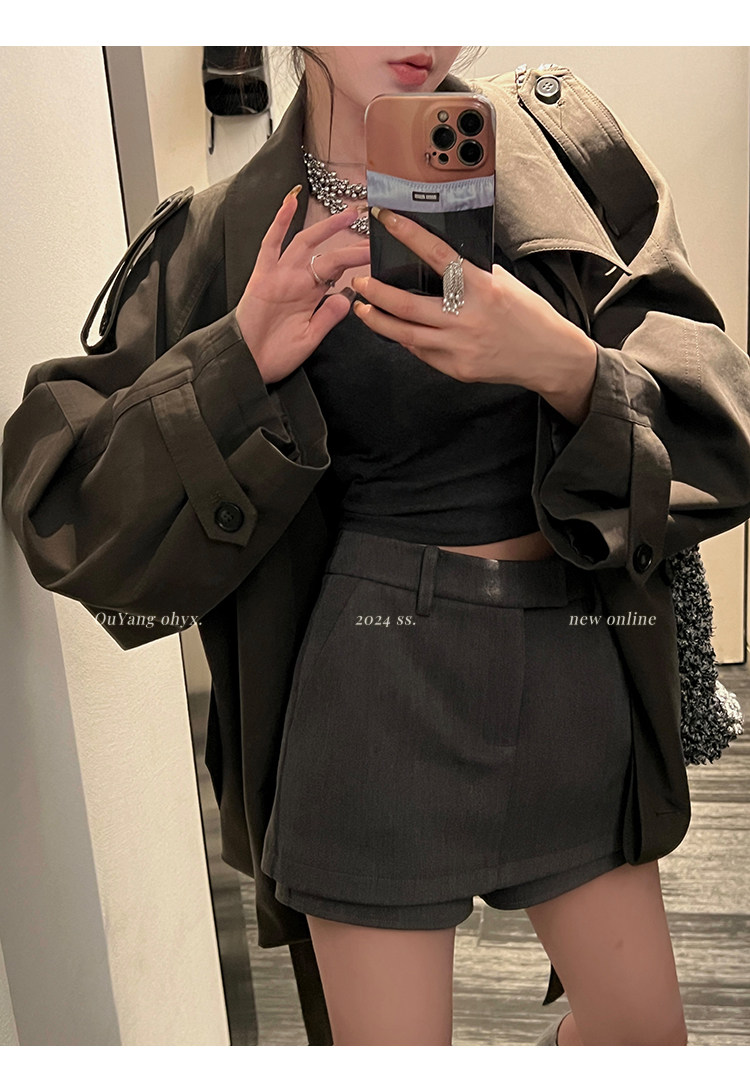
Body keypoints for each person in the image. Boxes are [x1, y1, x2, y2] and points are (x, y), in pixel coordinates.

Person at [3, 47, 750, 1047]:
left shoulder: (563, 147)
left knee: (643, 1043)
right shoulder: (219, 236)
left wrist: (565, 366)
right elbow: (65, 502)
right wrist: (236, 361)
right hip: (370, 690)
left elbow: (722, 421)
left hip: (575, 664)